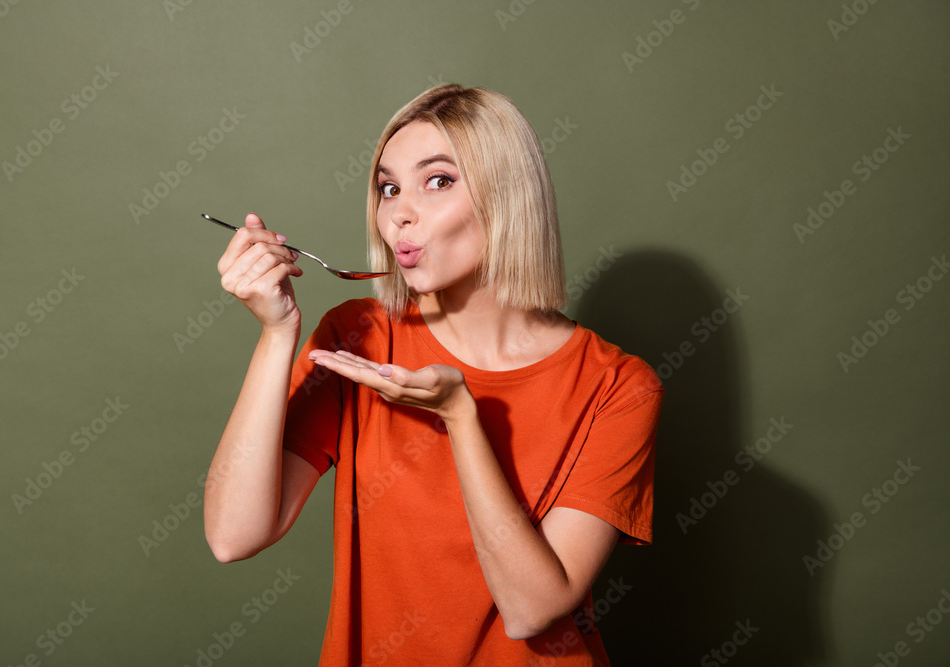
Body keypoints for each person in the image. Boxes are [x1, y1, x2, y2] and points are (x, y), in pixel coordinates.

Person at [203, 84, 663, 666]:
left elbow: (531, 608)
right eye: (388, 187)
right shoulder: (359, 337)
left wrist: (460, 416)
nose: (399, 212)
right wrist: (277, 333)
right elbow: (232, 536)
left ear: (508, 196)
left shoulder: (619, 387)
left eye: (438, 180)